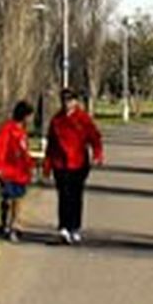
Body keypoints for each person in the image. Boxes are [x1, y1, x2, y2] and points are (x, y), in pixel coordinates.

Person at [43, 87, 103, 245]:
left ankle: (75, 227)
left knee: (76, 196)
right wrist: (47, 165)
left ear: (75, 102)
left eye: (69, 100)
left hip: (78, 163)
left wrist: (97, 154)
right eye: (64, 100)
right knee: (63, 195)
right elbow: (51, 144)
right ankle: (63, 227)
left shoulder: (83, 118)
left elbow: (94, 137)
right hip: (60, 164)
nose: (66, 103)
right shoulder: (56, 120)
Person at [0, 100, 36, 242]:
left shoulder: (22, 132)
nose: (30, 119)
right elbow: (0, 148)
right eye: (29, 116)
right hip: (8, 171)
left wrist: (31, 167)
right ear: (23, 115)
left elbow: (25, 152)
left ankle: (13, 225)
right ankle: (6, 224)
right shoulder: (8, 129)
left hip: (20, 172)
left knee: (18, 199)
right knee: (8, 199)